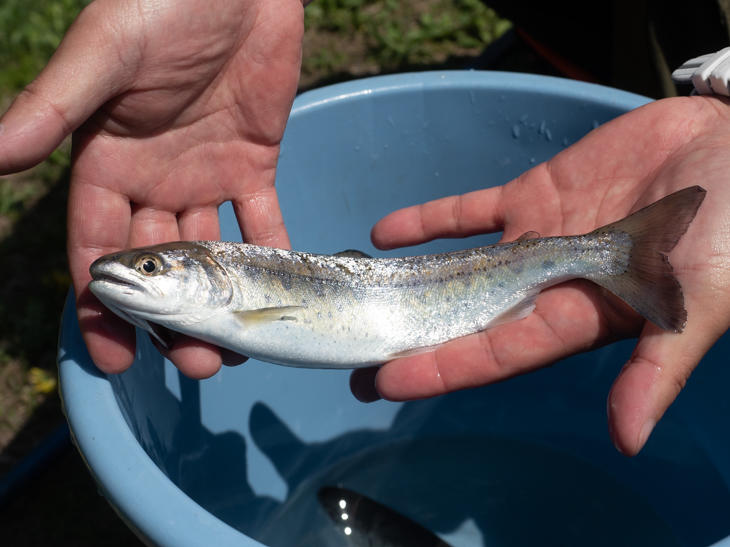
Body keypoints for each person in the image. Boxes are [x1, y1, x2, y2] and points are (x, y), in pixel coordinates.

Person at [0, 0, 728, 457]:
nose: (128, 275)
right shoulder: (217, 300)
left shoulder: (240, 302)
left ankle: (615, 251)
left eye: (154, 269)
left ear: (208, 274)